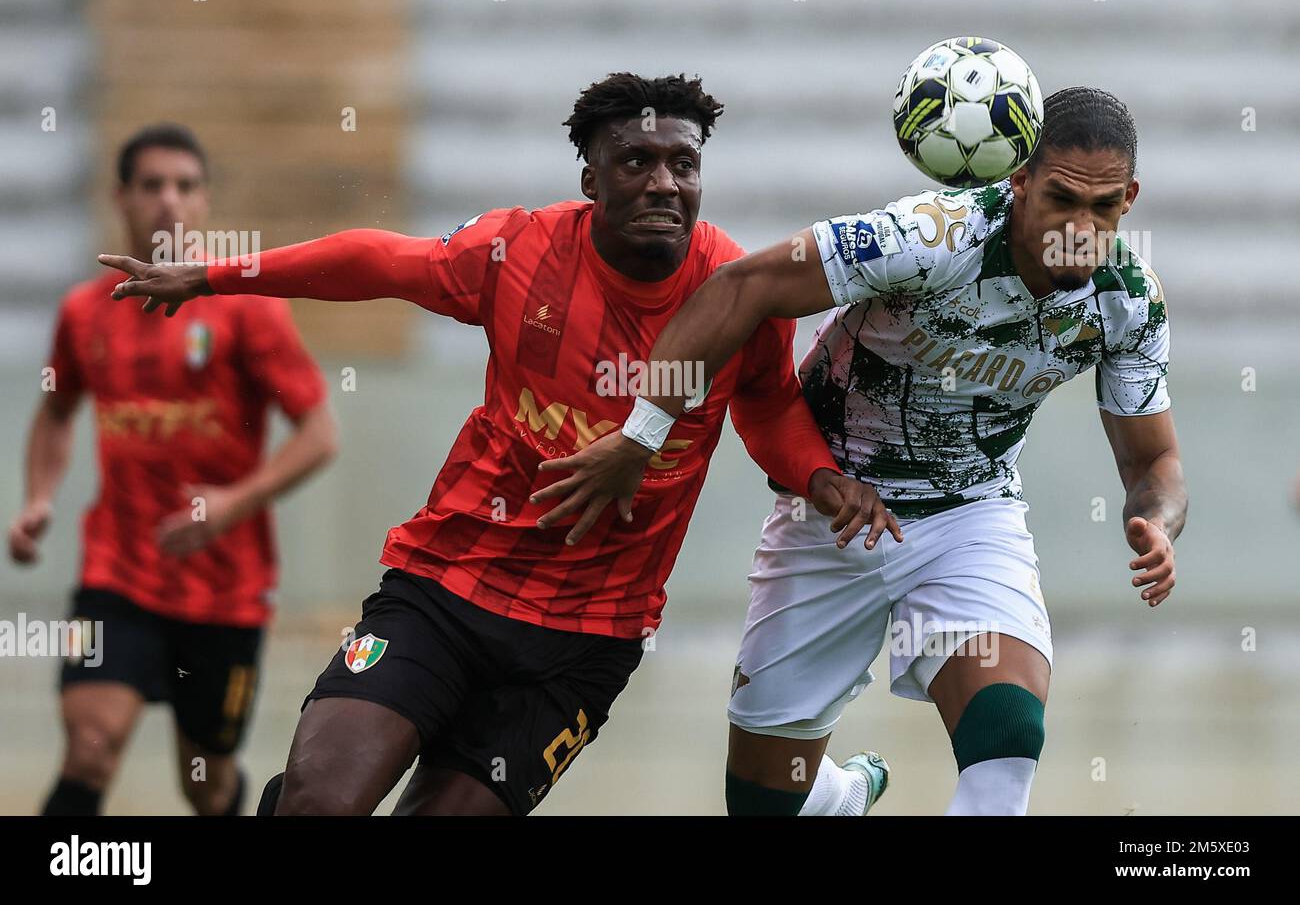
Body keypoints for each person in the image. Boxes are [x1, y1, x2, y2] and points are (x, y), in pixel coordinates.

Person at [103, 75, 893, 816]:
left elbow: (770, 410)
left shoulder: (738, 289)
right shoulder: (518, 252)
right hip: (445, 591)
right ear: (592, 179)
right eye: (636, 162)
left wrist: (820, 478)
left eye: (682, 164)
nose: (663, 183)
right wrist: (215, 278)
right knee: (321, 801)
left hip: (584, 641)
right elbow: (379, 261)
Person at [531, 87, 1187, 815]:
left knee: (1006, 736)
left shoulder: (1128, 301)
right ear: (1020, 181)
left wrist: (1157, 520)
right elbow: (741, 287)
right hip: (830, 512)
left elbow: (1153, 464)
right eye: (1062, 199)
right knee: (762, 802)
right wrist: (641, 435)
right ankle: (839, 798)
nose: (1080, 228)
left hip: (968, 519)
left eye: (1103, 208)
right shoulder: (928, 238)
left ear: (1129, 197)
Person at [9, 123, 337, 815]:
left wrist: (233, 503)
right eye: (152, 185)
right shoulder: (81, 313)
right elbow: (57, 410)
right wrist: (38, 498)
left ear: (205, 202)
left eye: (185, 186)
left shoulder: (246, 308)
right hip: (117, 574)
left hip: (225, 589)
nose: (170, 201)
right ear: (121, 197)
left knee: (206, 783)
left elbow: (318, 433)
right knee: (91, 745)